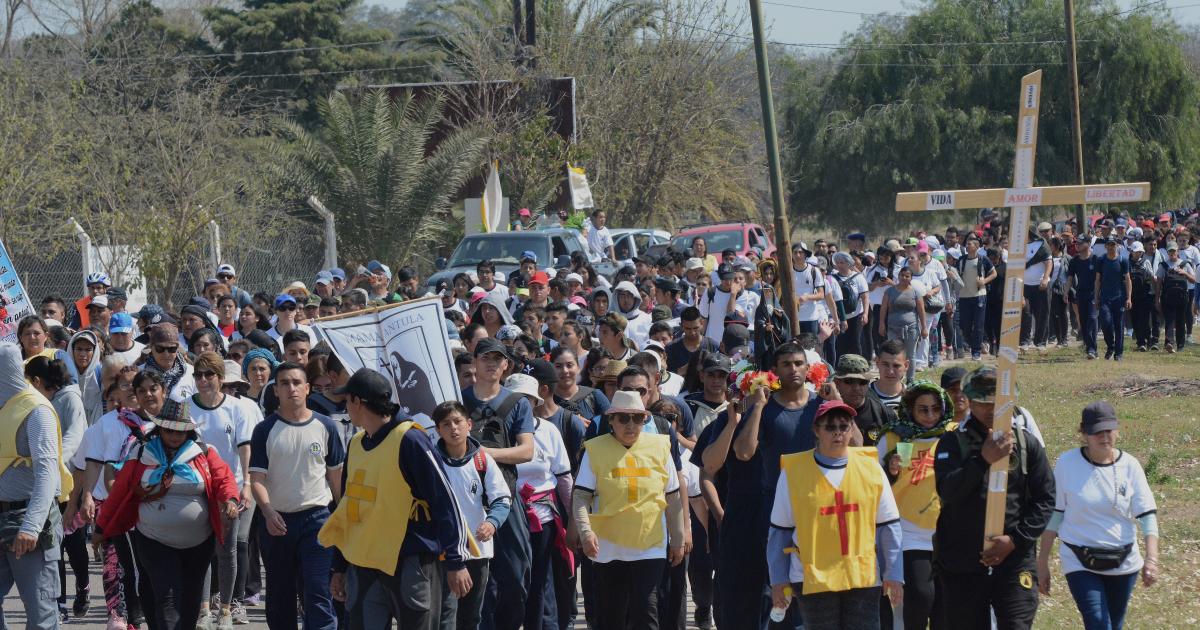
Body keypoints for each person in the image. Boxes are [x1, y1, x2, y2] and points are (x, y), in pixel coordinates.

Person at [317, 369, 473, 629]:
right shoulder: (356, 443)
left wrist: (456, 562)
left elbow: (445, 501)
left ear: (357, 402)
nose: (345, 407)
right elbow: (348, 509)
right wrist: (340, 567)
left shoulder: (410, 439)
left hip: (410, 562)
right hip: (363, 563)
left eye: (347, 400)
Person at [694, 341, 822, 629]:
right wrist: (718, 512)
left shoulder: (819, 410)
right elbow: (713, 467)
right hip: (745, 518)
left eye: (798, 363)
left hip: (802, 512)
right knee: (747, 595)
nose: (793, 370)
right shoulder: (738, 417)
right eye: (786, 364)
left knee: (795, 593)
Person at [95, 399, 240, 630]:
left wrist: (231, 500)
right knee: (167, 595)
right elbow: (120, 491)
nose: (174, 436)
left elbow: (225, 478)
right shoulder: (141, 453)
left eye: (180, 431)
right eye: (169, 430)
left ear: (189, 431)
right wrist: (101, 528)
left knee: (192, 596)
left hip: (199, 542)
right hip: (153, 539)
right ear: (160, 429)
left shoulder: (204, 452)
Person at [933, 366, 1055, 629]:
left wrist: (1015, 540)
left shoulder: (1026, 443)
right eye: (983, 402)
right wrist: (982, 460)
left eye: (998, 402)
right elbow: (947, 492)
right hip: (963, 562)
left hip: (1014, 560)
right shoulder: (953, 443)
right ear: (970, 401)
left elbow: (1045, 499)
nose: (992, 409)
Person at [767, 400, 903, 629]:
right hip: (812, 576)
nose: (838, 433)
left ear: (852, 429)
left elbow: (888, 524)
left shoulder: (870, 467)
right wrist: (778, 580)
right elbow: (780, 530)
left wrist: (894, 572)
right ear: (816, 430)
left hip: (862, 574)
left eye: (844, 426)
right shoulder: (793, 471)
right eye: (830, 427)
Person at [1037, 401, 1159, 630]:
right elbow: (1055, 514)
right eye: (1096, 432)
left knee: (1114, 624)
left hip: (1123, 561)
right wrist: (1042, 561)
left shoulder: (1130, 466)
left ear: (1117, 431)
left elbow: (1147, 515)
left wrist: (1151, 559)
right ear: (1083, 434)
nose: (1104, 437)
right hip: (1079, 558)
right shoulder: (1067, 463)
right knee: (1098, 622)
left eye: (1108, 431)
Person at [572, 389, 686, 630]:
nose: (631, 424)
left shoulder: (660, 446)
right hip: (608, 545)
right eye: (623, 418)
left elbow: (673, 497)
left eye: (637, 418)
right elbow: (581, 496)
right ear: (611, 420)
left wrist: (677, 537)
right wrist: (585, 532)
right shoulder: (595, 449)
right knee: (611, 614)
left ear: (645, 420)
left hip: (650, 543)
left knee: (646, 611)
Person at [249, 361, 346, 630]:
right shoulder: (264, 430)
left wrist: (342, 520)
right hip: (277, 523)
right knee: (280, 598)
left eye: (296, 383)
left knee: (318, 592)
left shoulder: (326, 426)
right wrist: (268, 512)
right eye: (284, 383)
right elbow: (256, 480)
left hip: (318, 521)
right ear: (276, 390)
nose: (291, 388)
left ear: (307, 388)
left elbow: (336, 479)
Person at [460, 338, 536, 630]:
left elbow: (526, 450)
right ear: (475, 363)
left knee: (517, 575)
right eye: (484, 358)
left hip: (504, 498)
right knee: (471, 579)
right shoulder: (458, 400)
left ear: (506, 365)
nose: (491, 363)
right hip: (464, 501)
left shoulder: (517, 403)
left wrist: (483, 454)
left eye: (497, 359)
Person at [0, 343, 73, 629]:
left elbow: (47, 475)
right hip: (3, 517)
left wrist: (31, 527)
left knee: (41, 613)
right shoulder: (4, 407)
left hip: (29, 523)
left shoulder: (37, 411)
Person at [875, 381, 957, 629]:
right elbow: (873, 482)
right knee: (921, 596)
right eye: (923, 409)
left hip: (948, 530)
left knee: (945, 603)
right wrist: (890, 471)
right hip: (909, 530)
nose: (930, 415)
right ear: (910, 409)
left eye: (935, 409)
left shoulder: (954, 434)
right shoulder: (893, 436)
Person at [190, 352, 262, 628]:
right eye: (199, 375)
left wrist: (246, 484)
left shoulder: (238, 408)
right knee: (203, 548)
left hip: (231, 485)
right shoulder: (186, 406)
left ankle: (228, 608)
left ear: (221, 379)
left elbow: (245, 448)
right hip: (197, 487)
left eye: (210, 375)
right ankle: (204, 609)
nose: (204, 380)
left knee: (228, 548)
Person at [432, 401, 512, 630]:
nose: (453, 428)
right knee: (444, 615)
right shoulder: (431, 462)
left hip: (477, 548)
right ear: (437, 430)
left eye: (457, 422)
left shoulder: (482, 460)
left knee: (471, 615)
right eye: (446, 424)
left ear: (469, 425)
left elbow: (501, 498)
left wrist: (492, 522)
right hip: (442, 550)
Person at [506, 372, 574, 630]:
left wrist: (573, 523)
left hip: (542, 516)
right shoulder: (495, 430)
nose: (521, 405)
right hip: (505, 517)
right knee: (510, 581)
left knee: (540, 580)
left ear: (535, 402)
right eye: (515, 400)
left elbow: (563, 477)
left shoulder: (548, 431)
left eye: (527, 400)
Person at [23, 356, 89, 623]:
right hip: (47, 485)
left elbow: (76, 435)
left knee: (74, 546)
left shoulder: (71, 399)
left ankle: (83, 585)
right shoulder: (33, 402)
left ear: (38, 380)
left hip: (71, 481)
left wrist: (55, 463)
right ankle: (58, 604)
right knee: (54, 547)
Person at [832, 354, 895, 446]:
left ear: (868, 383)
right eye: (849, 381)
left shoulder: (883, 414)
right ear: (837, 383)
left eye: (862, 382)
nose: (856, 388)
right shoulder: (827, 413)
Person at [878, 267, 926, 383]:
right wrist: (881, 324)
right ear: (898, 276)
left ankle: (910, 380)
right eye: (902, 275)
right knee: (893, 354)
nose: (904, 278)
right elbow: (884, 308)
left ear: (911, 278)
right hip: (893, 328)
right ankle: (895, 378)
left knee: (910, 355)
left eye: (907, 276)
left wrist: (924, 327)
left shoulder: (915, 292)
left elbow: (921, 311)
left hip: (911, 328)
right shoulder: (890, 291)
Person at [955, 235, 997, 360]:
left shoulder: (983, 259)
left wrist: (984, 281)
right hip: (964, 296)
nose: (967, 246)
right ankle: (975, 344)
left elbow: (994, 273)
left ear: (977, 247)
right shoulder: (961, 260)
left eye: (970, 244)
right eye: (966, 244)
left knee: (978, 325)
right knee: (964, 326)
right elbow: (957, 275)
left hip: (979, 296)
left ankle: (976, 352)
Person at [1094, 236, 1132, 361]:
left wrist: (1129, 298)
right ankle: (1111, 346)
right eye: (1109, 244)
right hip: (1105, 298)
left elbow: (1127, 280)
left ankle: (1118, 354)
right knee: (1106, 323)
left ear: (1117, 246)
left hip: (1119, 298)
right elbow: (1098, 280)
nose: (1111, 247)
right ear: (1105, 246)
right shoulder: (1101, 260)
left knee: (1119, 326)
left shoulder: (1123, 260)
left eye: (1113, 244)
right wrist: (1096, 297)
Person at [1155, 241, 1195, 353]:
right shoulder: (1163, 265)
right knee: (1169, 321)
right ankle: (1169, 343)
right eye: (1170, 251)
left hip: (1182, 299)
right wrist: (1157, 299)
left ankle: (1181, 345)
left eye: (1174, 251)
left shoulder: (1185, 264)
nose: (1172, 253)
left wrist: (1185, 273)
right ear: (1167, 252)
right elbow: (1158, 283)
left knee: (1181, 321)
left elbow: (1194, 280)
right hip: (1167, 298)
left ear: (1178, 251)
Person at [1067, 235, 1100, 359]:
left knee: (1092, 318)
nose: (1077, 245)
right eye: (1077, 243)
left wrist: (1098, 295)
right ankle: (1090, 348)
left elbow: (1099, 279)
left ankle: (1092, 348)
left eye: (1080, 243)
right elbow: (1070, 278)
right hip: (1080, 294)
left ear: (1088, 243)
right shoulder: (1074, 261)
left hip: (1093, 293)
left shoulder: (1096, 259)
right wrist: (1066, 293)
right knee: (1084, 322)